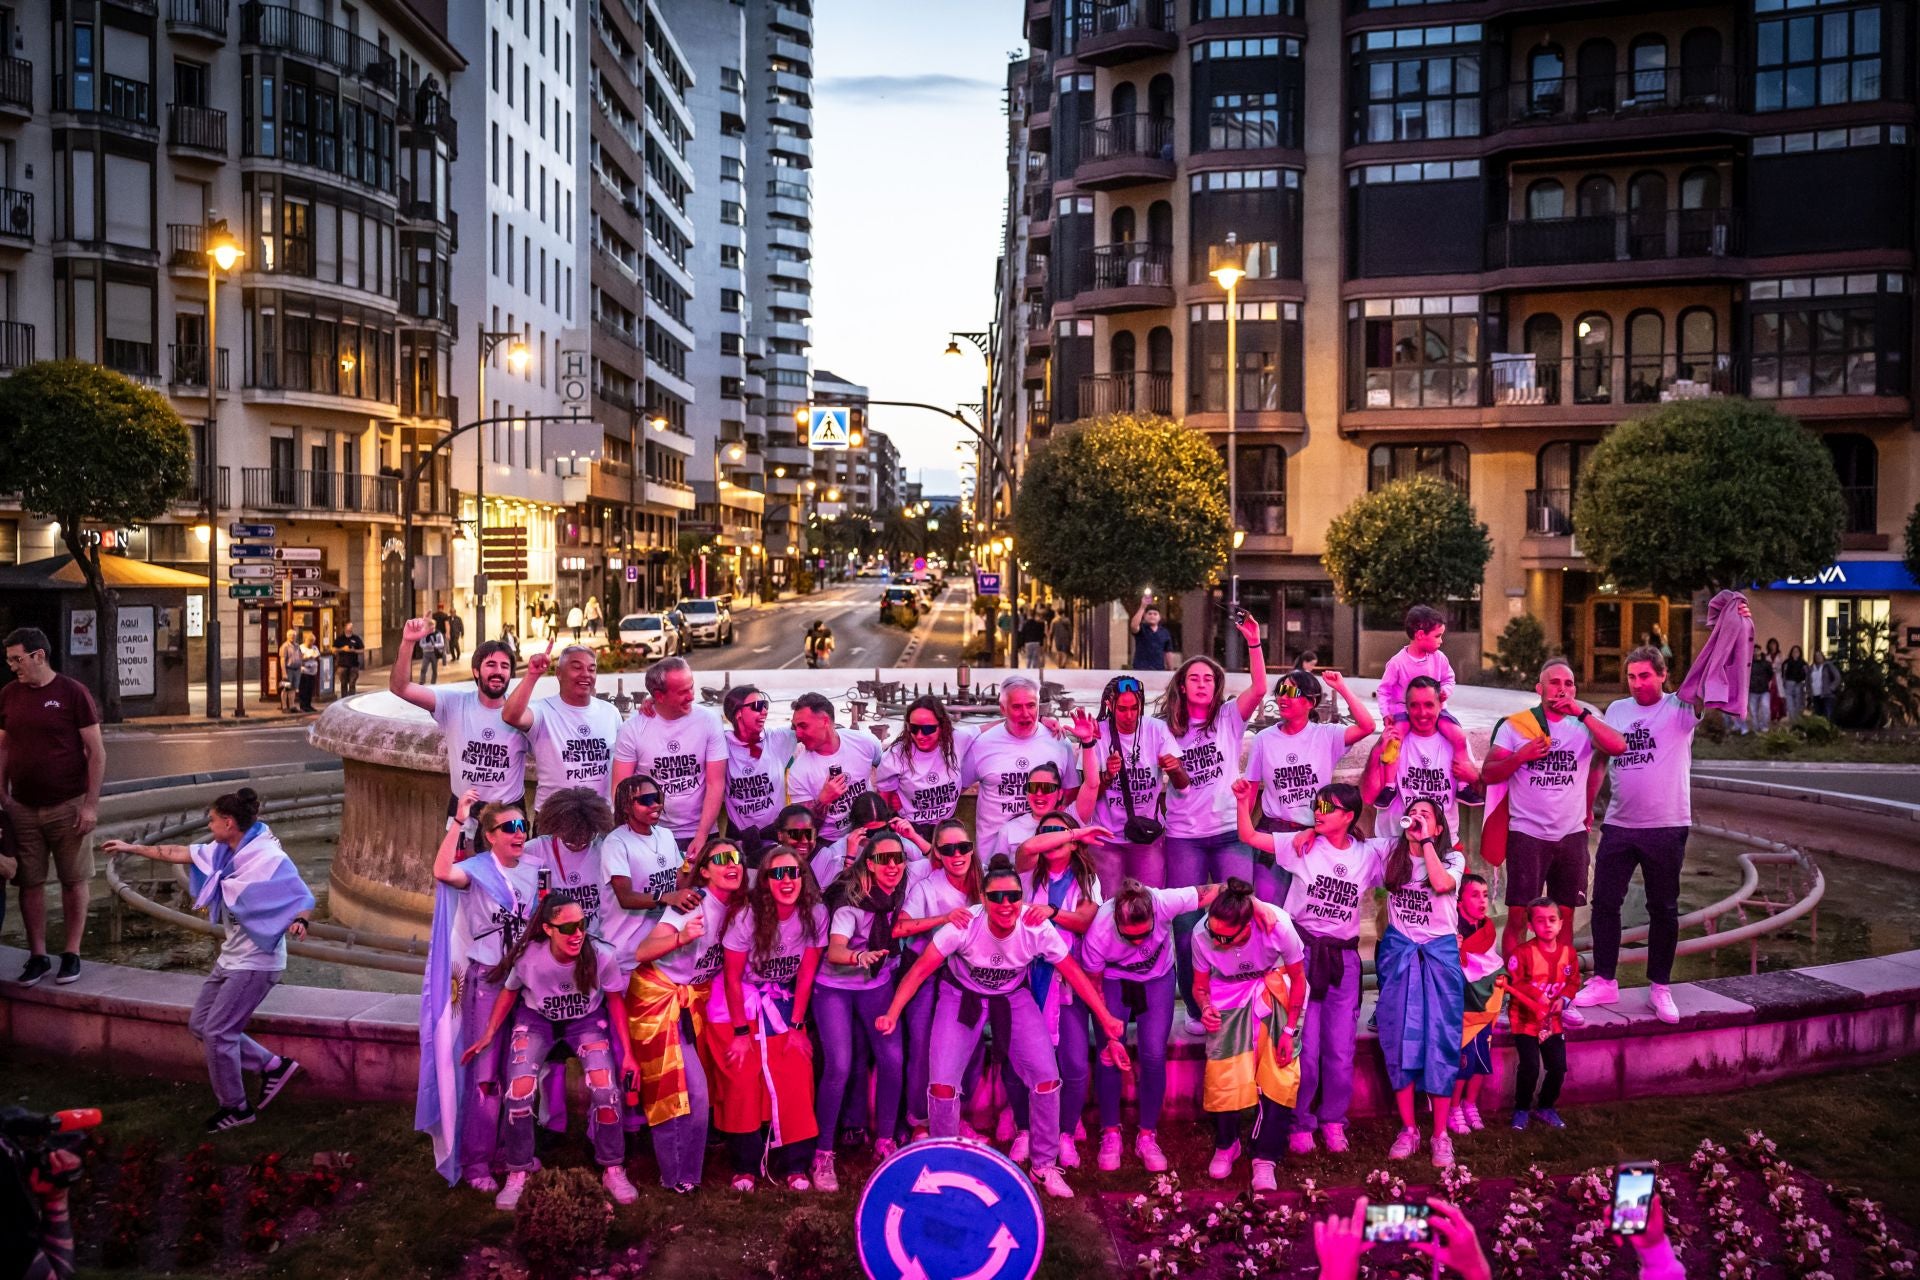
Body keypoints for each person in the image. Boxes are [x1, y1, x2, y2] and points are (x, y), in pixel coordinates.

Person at [875, 854, 1131, 1200]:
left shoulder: (1035, 926)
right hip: (961, 996)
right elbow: (920, 970)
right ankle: (945, 1166)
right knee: (942, 1085)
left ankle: (1043, 1165)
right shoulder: (964, 925)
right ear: (983, 899)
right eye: (996, 897)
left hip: (1012, 995)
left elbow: (1074, 973)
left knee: (1046, 1078)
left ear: (1021, 898)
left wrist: (1105, 1017)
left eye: (1013, 896)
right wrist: (892, 1012)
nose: (1005, 904)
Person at [102, 788, 311, 1133]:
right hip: (231, 959)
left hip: (256, 964)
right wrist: (132, 848)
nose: (209, 826)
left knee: (218, 1033)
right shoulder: (223, 852)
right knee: (201, 1025)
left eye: (212, 821)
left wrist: (300, 920)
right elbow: (178, 852)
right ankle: (274, 1066)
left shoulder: (266, 856)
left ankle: (237, 1108)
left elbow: (300, 893)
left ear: (229, 823)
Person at [1236, 781, 1387, 1155]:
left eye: (1328, 808)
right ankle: (1300, 1121)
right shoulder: (1301, 845)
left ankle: (1334, 1120)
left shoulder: (1368, 854)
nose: (1318, 811)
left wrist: (1432, 838)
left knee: (1340, 1049)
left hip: (1344, 960)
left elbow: (1410, 844)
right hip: (1301, 958)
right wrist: (1244, 801)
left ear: (1349, 817)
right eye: (1317, 805)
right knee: (1305, 1047)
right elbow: (1249, 836)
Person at [462, 894, 636, 1210]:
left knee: (606, 1089)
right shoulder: (529, 958)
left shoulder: (601, 956)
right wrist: (488, 1033)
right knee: (518, 1092)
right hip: (537, 1020)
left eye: (581, 925)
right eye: (567, 927)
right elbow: (509, 991)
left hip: (584, 1021)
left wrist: (628, 1054)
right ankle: (519, 1171)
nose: (577, 934)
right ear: (548, 929)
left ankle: (613, 1167)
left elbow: (615, 1001)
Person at [1579, 643, 1708, 1026]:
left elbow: (1708, 674)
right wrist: (1587, 805)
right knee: (1604, 902)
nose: (1637, 683)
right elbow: (1601, 760)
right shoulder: (1617, 710)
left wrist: (1730, 629)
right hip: (1620, 824)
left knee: (1663, 908)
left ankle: (1660, 987)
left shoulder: (1681, 708)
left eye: (1644, 676)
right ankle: (1604, 978)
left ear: (1663, 674)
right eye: (1632, 676)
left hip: (1667, 826)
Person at [417, 789, 536, 1191]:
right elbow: (440, 871)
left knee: (518, 1071)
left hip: (525, 985)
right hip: (487, 982)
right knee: (485, 1076)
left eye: (523, 826)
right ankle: (477, 1163)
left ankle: (510, 1152)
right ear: (490, 835)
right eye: (509, 828)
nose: (518, 834)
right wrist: (458, 820)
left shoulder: (534, 870)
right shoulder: (478, 870)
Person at [1079, 878, 1237, 1174]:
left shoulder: (1166, 901)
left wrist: (1254, 903)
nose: (1139, 943)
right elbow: (1094, 986)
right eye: (1130, 937)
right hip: (1113, 982)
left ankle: (1147, 1134)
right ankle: (1110, 1132)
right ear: (1116, 921)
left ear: (1155, 915)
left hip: (1157, 978)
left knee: (1153, 1054)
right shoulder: (1100, 930)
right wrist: (1108, 1028)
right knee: (1109, 1053)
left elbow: (1216, 890)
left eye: (1145, 934)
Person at [1160, 612, 1267, 1032]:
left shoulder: (1228, 719)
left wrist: (1253, 642)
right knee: (1187, 924)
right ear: (1182, 686)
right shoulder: (1163, 727)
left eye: (1209, 678)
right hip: (1183, 837)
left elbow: (1259, 688)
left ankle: (1242, 995)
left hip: (1228, 833)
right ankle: (1195, 1004)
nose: (1202, 684)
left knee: (1240, 912)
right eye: (1195, 678)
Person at [1480, 658, 1625, 963]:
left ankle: (1560, 988)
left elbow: (1618, 746)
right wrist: (1521, 757)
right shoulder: (1516, 725)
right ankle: (1519, 987)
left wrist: (1582, 714)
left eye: (1568, 683)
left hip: (1571, 835)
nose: (1562, 689)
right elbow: (1489, 773)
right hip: (1527, 834)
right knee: (1519, 917)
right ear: (1540, 688)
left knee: (1564, 920)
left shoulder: (1582, 726)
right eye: (1555, 682)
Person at [625, 837, 746, 1193]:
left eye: (737, 857)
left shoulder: (739, 908)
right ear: (704, 872)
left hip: (692, 1002)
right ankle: (676, 1175)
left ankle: (685, 1175)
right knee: (679, 1089)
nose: (732, 863)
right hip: (657, 998)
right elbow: (643, 950)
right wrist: (681, 936)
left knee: (695, 1090)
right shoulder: (692, 904)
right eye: (722, 859)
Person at [708, 843, 828, 1192]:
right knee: (743, 1075)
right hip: (738, 1000)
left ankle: (795, 1164)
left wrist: (797, 1027)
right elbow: (731, 978)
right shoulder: (747, 917)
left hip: (782, 997)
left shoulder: (815, 914)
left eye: (793, 872)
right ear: (765, 882)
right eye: (777, 873)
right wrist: (741, 1033)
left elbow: (805, 975)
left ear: (803, 878)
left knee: (795, 1067)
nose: (786, 880)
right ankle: (745, 1164)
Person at [1, 627, 104, 987]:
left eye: (18, 659)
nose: (14, 667)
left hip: (68, 805)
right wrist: (2, 795)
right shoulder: (9, 695)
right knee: (29, 883)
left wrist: (90, 805)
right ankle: (38, 955)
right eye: (10, 660)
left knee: (74, 880)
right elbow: (3, 746)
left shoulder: (72, 693)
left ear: (39, 656)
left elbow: (96, 752)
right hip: (23, 808)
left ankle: (72, 953)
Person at [811, 830, 912, 1187]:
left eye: (898, 858)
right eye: (884, 859)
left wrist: (912, 835)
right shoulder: (850, 901)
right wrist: (859, 955)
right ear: (869, 863)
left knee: (893, 1059)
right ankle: (823, 1154)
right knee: (838, 1065)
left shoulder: (899, 889)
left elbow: (940, 858)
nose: (893, 865)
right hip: (835, 986)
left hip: (876, 984)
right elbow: (835, 950)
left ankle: (884, 1139)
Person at [1191, 878, 1306, 1191]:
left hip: (1272, 989)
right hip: (1226, 995)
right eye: (1214, 934)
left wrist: (1289, 1029)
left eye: (1227, 938)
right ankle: (1227, 1143)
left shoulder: (1277, 925)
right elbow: (1200, 986)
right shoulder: (1201, 934)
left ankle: (1266, 1156)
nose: (1218, 942)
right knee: (1223, 1072)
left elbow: (1298, 979)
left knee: (1280, 1072)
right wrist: (1204, 1007)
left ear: (1249, 925)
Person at [1006, 812, 1103, 1167]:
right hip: (1028, 977)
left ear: (1074, 844)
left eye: (1058, 833)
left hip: (1068, 978)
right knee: (1021, 1060)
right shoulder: (1029, 872)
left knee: (1074, 1062)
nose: (1049, 838)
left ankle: (1064, 1132)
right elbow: (1029, 846)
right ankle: (1025, 1130)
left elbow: (1082, 921)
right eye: (1045, 831)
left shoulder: (1088, 878)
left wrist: (1050, 912)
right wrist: (1072, 831)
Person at [1374, 798, 1467, 1167]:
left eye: (1428, 814)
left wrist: (1426, 842)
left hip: (1439, 955)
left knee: (1440, 1038)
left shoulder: (1451, 859)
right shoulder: (1391, 855)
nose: (1419, 817)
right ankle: (1409, 1129)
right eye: (1415, 812)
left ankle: (1440, 1134)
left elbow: (1442, 885)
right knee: (1398, 1036)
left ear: (1440, 827)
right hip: (1401, 953)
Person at [1244, 667, 1376, 901]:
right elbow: (1251, 789)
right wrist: (1247, 833)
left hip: (1315, 834)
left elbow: (1367, 726)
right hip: (1273, 832)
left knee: (1308, 911)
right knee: (1268, 906)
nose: (1283, 697)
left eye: (1291, 692)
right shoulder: (1264, 739)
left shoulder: (1327, 735)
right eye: (1280, 691)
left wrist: (1342, 688)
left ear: (1310, 702)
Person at [893, 818, 984, 1142]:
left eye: (963, 847)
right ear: (938, 855)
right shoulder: (927, 887)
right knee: (923, 1045)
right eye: (948, 849)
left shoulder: (983, 881)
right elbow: (899, 928)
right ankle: (919, 1119)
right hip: (926, 969)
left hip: (968, 974)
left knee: (968, 1046)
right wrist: (943, 919)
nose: (957, 854)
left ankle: (955, 1116)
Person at [391, 620, 528, 817]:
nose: (498, 671)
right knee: (458, 849)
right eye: (490, 664)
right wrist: (407, 642)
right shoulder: (454, 704)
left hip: (509, 814)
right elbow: (400, 687)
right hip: (463, 811)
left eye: (504, 666)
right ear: (476, 671)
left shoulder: (523, 715)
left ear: (510, 673)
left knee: (515, 849)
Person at [1068, 675, 1180, 892]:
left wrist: (1173, 767)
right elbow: (1088, 795)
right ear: (1109, 705)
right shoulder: (1097, 734)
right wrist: (1108, 777)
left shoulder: (1157, 729)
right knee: (1109, 905)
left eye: (1134, 708)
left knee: (1151, 901)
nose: (1129, 716)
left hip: (1147, 836)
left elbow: (1183, 784)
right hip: (1106, 838)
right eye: (1122, 709)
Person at [611, 657, 728, 854]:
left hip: (701, 832)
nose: (691, 696)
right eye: (683, 692)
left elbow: (715, 783)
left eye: (691, 687)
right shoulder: (632, 728)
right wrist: (634, 834)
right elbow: (620, 788)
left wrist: (702, 835)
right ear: (659, 695)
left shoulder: (709, 720)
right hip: (650, 833)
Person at [961, 677, 1078, 861]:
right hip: (994, 860)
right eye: (1017, 707)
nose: (1025, 713)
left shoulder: (1059, 741)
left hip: (1047, 857)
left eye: (1031, 705)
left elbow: (1071, 792)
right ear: (1003, 708)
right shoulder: (982, 745)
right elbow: (956, 789)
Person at [1361, 676, 1477, 855]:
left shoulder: (1455, 741)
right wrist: (1377, 751)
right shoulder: (1393, 740)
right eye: (1414, 705)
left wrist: (1474, 777)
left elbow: (1482, 788)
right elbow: (1368, 797)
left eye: (1429, 705)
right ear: (1406, 707)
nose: (1422, 713)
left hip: (1442, 845)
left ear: (1440, 704)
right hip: (1393, 845)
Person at [1373, 605, 1476, 793]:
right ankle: (1389, 786)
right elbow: (1384, 690)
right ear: (1420, 634)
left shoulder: (1439, 659)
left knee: (1458, 736)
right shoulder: (1397, 662)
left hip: (1436, 711)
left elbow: (1449, 678)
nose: (1441, 641)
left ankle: (1463, 785)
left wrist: (1444, 691)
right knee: (1395, 739)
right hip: (1404, 711)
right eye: (1437, 636)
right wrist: (1386, 713)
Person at [504, 646, 622, 809]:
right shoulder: (543, 710)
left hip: (600, 818)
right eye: (577, 667)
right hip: (554, 818)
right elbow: (510, 715)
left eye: (591, 669)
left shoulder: (610, 712)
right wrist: (532, 675)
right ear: (559, 673)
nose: (586, 674)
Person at [1505, 897, 1581, 1130]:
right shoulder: (1523, 953)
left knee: (1558, 1067)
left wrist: (1564, 1000)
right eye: (1540, 921)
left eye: (1552, 920)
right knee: (1530, 1067)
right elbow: (1515, 982)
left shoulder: (1569, 954)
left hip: (1552, 1023)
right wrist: (1537, 996)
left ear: (1560, 924)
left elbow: (1573, 982)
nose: (1547, 925)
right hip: (1524, 1021)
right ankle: (1521, 1109)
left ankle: (1546, 1107)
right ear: (1530, 926)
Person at [785, 692, 885, 862]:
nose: (798, 734)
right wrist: (823, 800)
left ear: (824, 721)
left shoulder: (865, 742)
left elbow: (885, 775)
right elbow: (803, 830)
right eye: (795, 728)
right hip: (828, 843)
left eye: (803, 726)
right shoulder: (799, 772)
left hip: (867, 832)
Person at [601, 774, 688, 950]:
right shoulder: (616, 842)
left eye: (657, 798)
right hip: (625, 947)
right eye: (646, 800)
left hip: (661, 945)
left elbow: (682, 883)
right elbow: (626, 898)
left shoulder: (666, 835)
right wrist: (667, 897)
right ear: (626, 806)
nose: (656, 805)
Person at [1447, 873, 1502, 1135]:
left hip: (1485, 1005)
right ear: (1459, 902)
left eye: (1484, 894)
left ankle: (1471, 1104)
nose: (1482, 900)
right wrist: (1452, 947)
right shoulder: (1450, 929)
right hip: (1461, 1007)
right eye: (1474, 895)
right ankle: (1453, 1107)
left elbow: (1490, 963)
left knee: (1482, 1057)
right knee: (1463, 1060)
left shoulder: (1487, 929)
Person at [520, 786, 616, 932]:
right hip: (551, 938)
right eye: (569, 841)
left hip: (592, 938)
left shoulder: (604, 850)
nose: (577, 845)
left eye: (585, 841)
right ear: (556, 829)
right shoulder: (536, 849)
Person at [876, 695, 973, 838]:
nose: (920, 735)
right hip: (910, 827)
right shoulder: (896, 755)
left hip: (946, 828)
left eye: (928, 729)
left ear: (942, 725)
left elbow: (988, 728)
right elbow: (884, 798)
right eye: (914, 728)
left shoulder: (957, 739)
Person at [718, 685, 795, 860]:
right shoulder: (722, 743)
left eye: (766, 705)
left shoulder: (776, 739)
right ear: (738, 713)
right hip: (739, 840)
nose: (765, 711)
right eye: (757, 706)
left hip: (776, 836)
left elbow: (811, 725)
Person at [1128, 591, 1176, 672]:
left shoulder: (1164, 632)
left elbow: (1168, 652)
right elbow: (1133, 626)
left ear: (1159, 617)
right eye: (1149, 614)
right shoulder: (1142, 629)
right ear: (1145, 616)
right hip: (1141, 669)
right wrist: (1143, 607)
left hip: (1159, 670)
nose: (1152, 616)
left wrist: (1171, 670)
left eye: (1155, 614)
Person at [332, 621, 365, 697]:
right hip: (342, 665)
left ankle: (351, 698)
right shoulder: (340, 639)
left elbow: (362, 650)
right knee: (343, 684)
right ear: (345, 628)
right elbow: (333, 650)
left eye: (351, 628)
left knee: (352, 683)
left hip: (354, 665)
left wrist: (354, 650)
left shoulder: (356, 638)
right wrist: (342, 649)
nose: (350, 629)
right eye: (348, 627)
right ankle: (344, 698)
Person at [1745, 644, 1773, 732]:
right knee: (1753, 711)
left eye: (1757, 650)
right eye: (1754, 650)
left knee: (1765, 708)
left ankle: (1764, 726)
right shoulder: (1748, 664)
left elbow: (1770, 675)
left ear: (1761, 651)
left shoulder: (1767, 663)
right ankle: (1756, 728)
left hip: (1764, 690)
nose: (1755, 652)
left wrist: (1765, 682)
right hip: (1752, 691)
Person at [1808, 648, 1839, 720]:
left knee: (1828, 714)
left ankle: (1829, 729)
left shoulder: (1828, 666)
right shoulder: (1812, 668)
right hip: (1815, 695)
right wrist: (1809, 691)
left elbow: (1837, 677)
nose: (1818, 658)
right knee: (1818, 716)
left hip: (1827, 694)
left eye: (1819, 656)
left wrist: (1832, 687)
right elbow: (1808, 680)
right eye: (1816, 656)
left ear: (1823, 656)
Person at [1781, 644, 1809, 721]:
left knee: (1798, 703)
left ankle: (1797, 720)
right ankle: (1793, 720)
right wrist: (1784, 683)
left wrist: (1806, 687)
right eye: (1794, 651)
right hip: (1789, 684)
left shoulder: (1803, 663)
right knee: (1790, 704)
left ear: (1800, 653)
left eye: (1797, 651)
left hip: (1799, 684)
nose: (1795, 653)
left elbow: (1807, 675)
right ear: (1791, 652)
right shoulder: (1786, 662)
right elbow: (1783, 674)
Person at [278, 632, 300, 712]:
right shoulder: (285, 646)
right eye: (291, 635)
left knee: (293, 688)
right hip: (288, 670)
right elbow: (282, 660)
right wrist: (284, 672)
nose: (292, 637)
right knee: (286, 688)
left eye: (294, 635)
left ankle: (292, 706)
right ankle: (284, 707)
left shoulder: (297, 646)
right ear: (287, 636)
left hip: (296, 670)